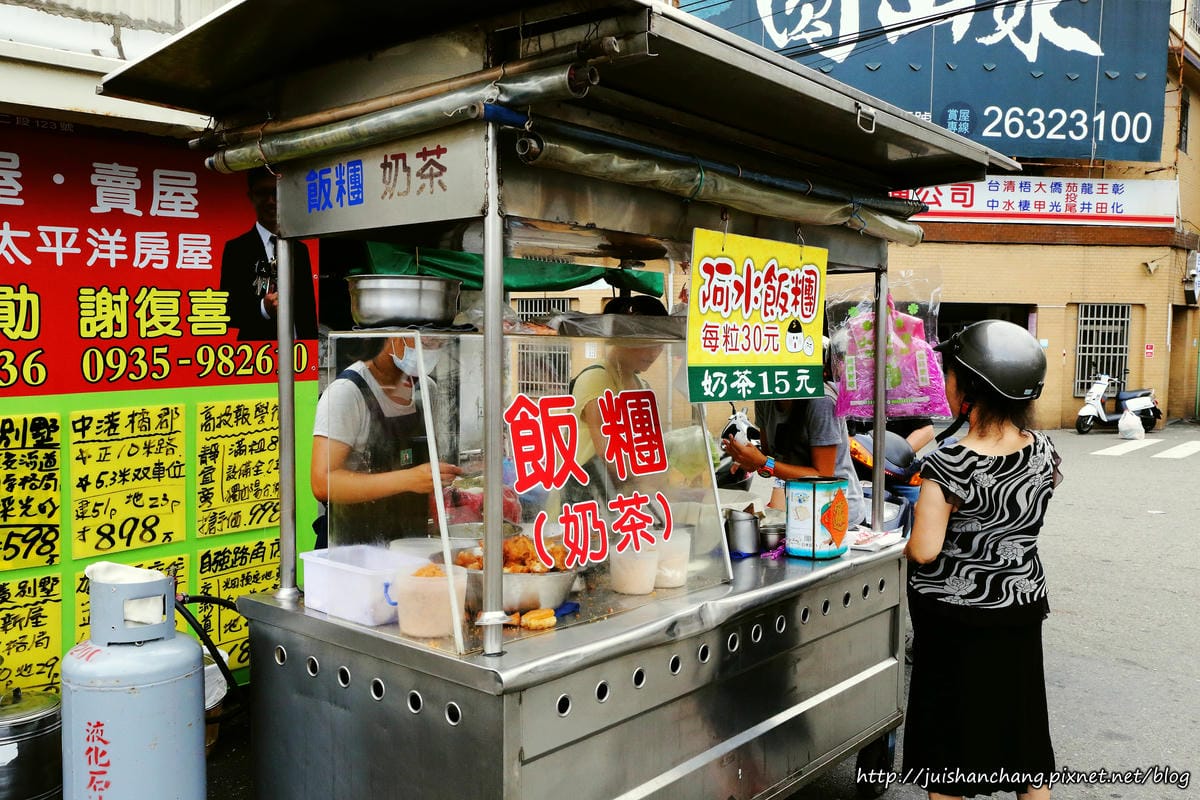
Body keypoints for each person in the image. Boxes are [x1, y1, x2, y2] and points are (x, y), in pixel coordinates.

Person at [901, 320, 1060, 800]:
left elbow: (926, 550)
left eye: (949, 375)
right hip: (1019, 610)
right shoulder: (1045, 451)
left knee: (949, 752)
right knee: (1024, 743)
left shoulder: (949, 463)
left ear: (970, 386)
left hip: (956, 623)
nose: (944, 385)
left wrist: (901, 532)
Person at [310, 335, 461, 547]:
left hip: (409, 546)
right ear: (393, 337)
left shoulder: (426, 390)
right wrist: (410, 479)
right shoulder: (347, 392)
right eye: (426, 343)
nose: (433, 350)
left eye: (440, 344)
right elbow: (322, 483)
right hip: (352, 549)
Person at [727, 340, 867, 529]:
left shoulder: (821, 401)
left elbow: (822, 476)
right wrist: (750, 461)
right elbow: (775, 460)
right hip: (801, 510)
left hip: (836, 514)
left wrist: (762, 462)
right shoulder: (764, 396)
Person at [563, 295, 669, 509]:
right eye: (647, 342)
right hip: (585, 503)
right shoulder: (597, 378)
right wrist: (648, 482)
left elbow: (647, 449)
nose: (654, 352)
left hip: (621, 499)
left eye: (660, 344)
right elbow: (607, 453)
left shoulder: (641, 385)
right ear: (622, 338)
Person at [219, 166, 318, 340]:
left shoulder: (300, 250)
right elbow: (228, 310)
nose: (271, 201)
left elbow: (307, 310)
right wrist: (263, 308)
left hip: (300, 353)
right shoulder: (236, 249)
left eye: (276, 192)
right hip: (257, 353)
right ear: (251, 197)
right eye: (262, 193)